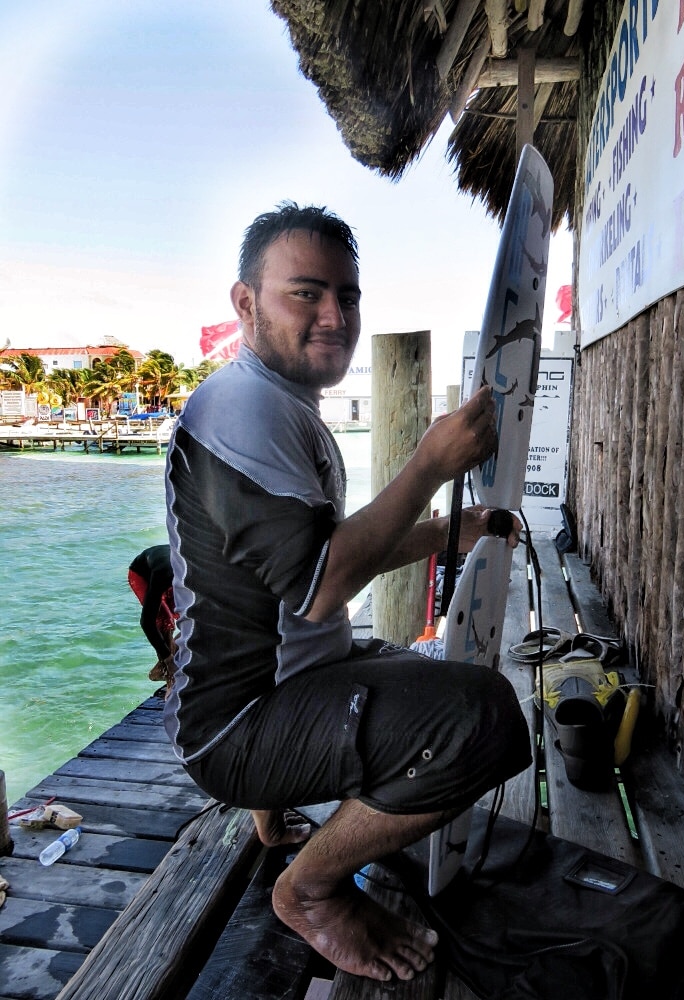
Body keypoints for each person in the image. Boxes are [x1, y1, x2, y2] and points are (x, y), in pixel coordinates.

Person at [164, 202, 530, 982]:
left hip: (272, 692)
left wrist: (441, 534)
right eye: (306, 293)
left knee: (426, 676)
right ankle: (312, 889)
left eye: (348, 296)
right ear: (244, 304)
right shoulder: (241, 408)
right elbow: (324, 586)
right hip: (236, 728)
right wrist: (429, 463)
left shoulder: (278, 402)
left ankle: (274, 812)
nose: (335, 315)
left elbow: (313, 563)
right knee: (484, 719)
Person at [127, 544, 176, 689]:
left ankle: (163, 665)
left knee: (175, 620)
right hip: (141, 574)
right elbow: (146, 622)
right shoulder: (164, 573)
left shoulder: (199, 572)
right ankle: (168, 675)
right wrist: (168, 658)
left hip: (167, 566)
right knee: (164, 620)